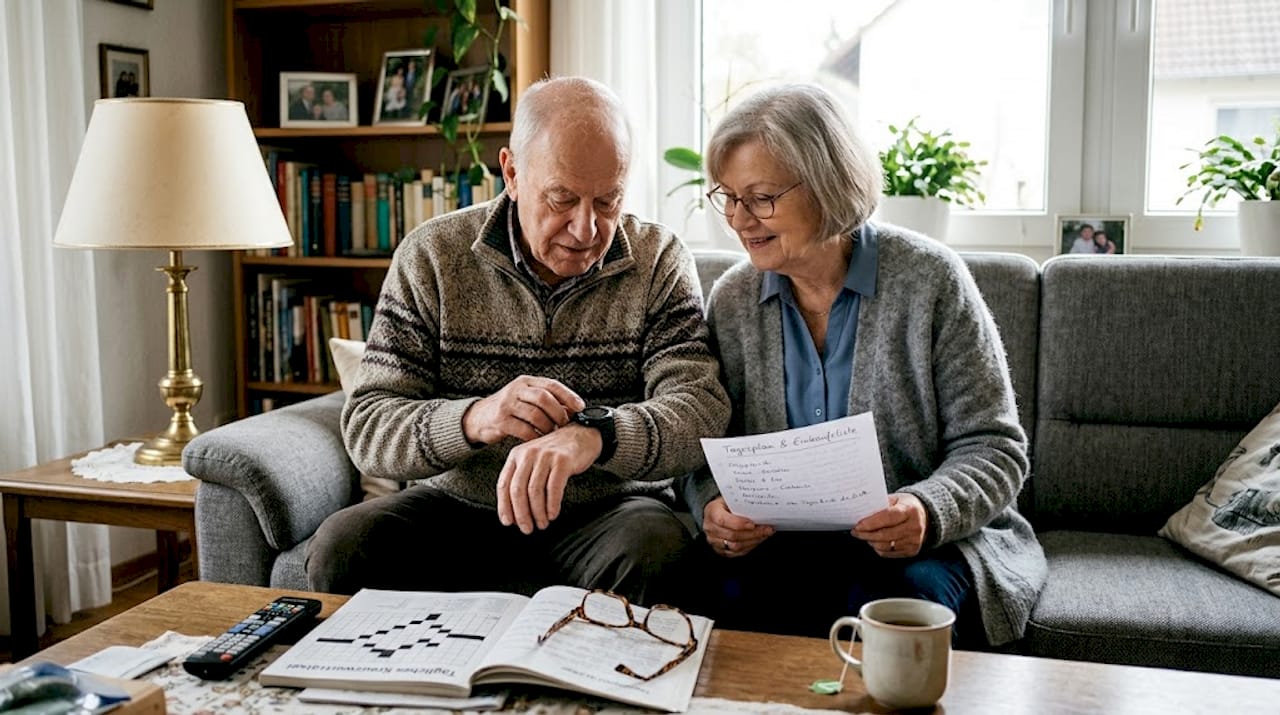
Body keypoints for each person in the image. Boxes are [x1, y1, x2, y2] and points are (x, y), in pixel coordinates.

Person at [306, 77, 731, 607]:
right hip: (458, 510)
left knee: (656, 547)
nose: (586, 229)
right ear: (511, 172)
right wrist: (473, 419)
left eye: (607, 200)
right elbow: (369, 427)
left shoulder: (658, 259)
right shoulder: (433, 256)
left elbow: (700, 411)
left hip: (608, 514)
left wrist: (597, 435)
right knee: (343, 546)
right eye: (562, 199)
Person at [677, 83, 1046, 647]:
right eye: (727, 196)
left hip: (931, 545)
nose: (739, 219)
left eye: (761, 197)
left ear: (827, 184)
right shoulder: (731, 300)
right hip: (782, 543)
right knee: (702, 593)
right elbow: (697, 445)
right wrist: (713, 506)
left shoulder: (931, 282)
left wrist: (927, 508)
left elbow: (995, 447)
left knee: (889, 606)